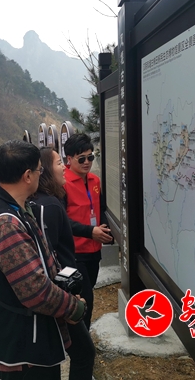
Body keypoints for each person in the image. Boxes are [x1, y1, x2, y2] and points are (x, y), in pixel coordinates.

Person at [0, 140, 86, 380]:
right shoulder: (4, 224)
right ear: (27, 176)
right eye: (39, 169)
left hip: (30, 335)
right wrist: (74, 308)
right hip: (22, 344)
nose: (40, 174)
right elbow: (35, 290)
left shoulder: (18, 207)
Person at [31, 147, 95, 380]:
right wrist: (67, 295)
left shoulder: (47, 201)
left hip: (60, 290)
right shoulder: (48, 206)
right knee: (84, 352)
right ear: (45, 170)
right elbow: (50, 253)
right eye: (59, 163)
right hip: (61, 292)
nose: (63, 168)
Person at [63, 133, 113, 330]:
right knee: (86, 299)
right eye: (81, 158)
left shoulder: (95, 181)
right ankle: (82, 340)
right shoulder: (63, 184)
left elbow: (101, 210)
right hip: (75, 253)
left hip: (94, 250)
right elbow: (62, 222)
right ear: (69, 159)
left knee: (88, 289)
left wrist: (106, 231)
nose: (87, 162)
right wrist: (90, 231)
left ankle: (79, 335)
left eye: (90, 157)